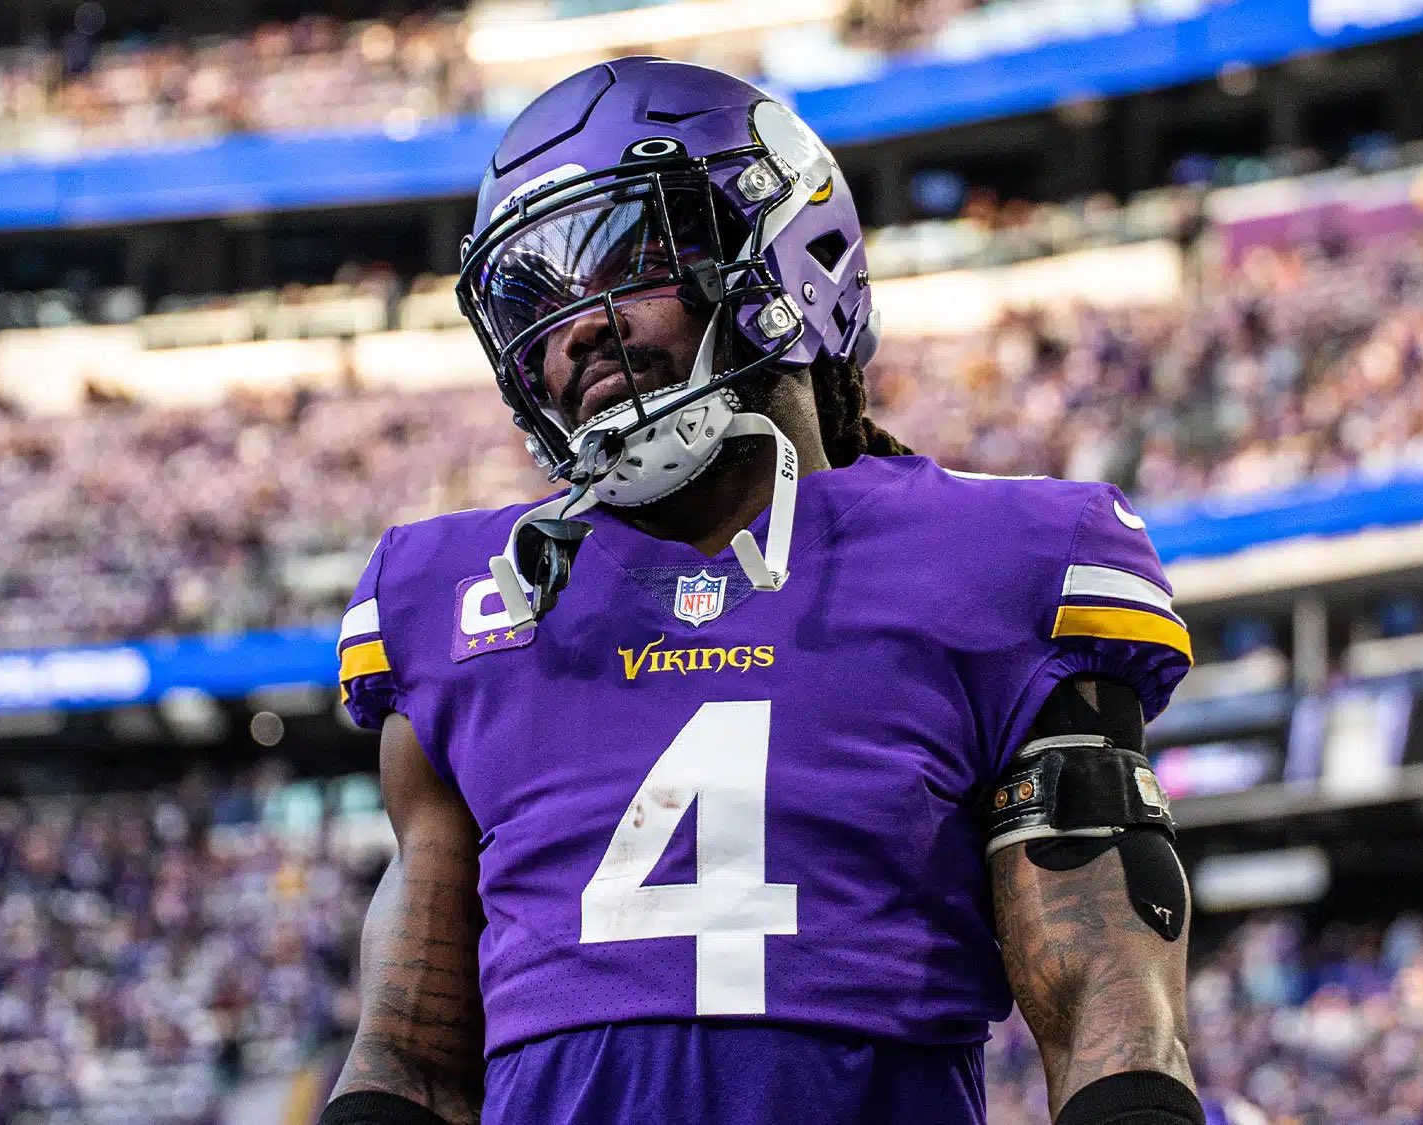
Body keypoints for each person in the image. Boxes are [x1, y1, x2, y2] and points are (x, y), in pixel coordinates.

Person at [326, 57, 1201, 1125]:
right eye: (533, 302)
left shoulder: (998, 556)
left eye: (625, 257)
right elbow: (409, 1060)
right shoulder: (456, 595)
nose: (576, 328)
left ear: (781, 248)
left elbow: (1108, 1022)